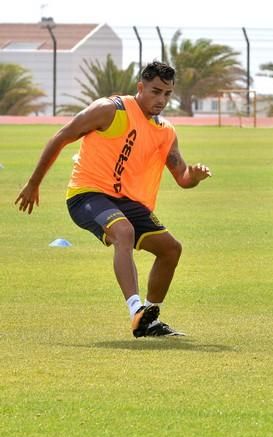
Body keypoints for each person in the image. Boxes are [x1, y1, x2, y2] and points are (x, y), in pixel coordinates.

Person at [15, 61, 211, 338]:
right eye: (155, 91)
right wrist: (34, 182)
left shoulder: (165, 131)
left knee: (170, 250)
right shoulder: (110, 110)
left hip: (126, 201)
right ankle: (135, 310)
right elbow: (62, 136)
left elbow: (182, 177)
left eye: (167, 94)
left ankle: (150, 319)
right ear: (140, 87)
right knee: (123, 231)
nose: (161, 100)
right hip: (87, 193)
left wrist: (195, 175)